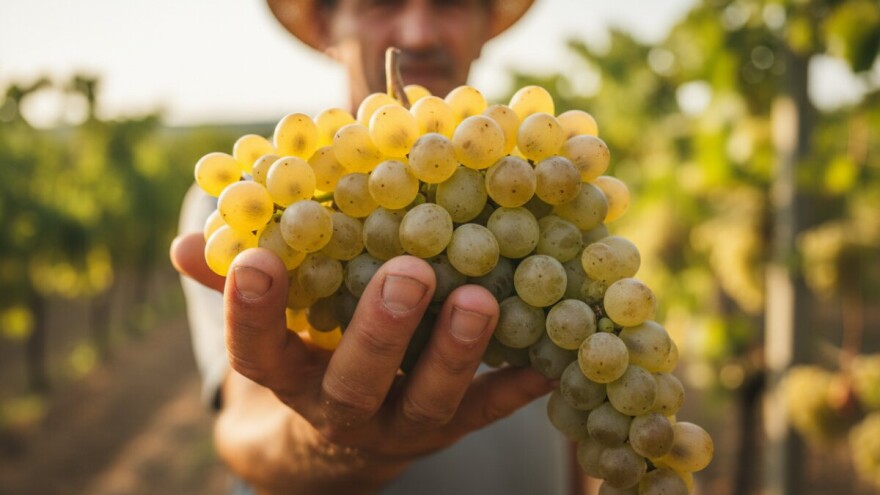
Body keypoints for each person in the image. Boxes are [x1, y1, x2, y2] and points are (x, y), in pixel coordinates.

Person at [170, 0, 580, 493]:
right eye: (380, 2)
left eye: (453, 3)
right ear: (326, 23)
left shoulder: (543, 184)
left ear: (485, 24)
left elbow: (577, 403)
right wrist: (331, 447)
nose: (419, 31)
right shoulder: (250, 203)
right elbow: (242, 428)